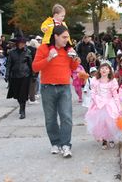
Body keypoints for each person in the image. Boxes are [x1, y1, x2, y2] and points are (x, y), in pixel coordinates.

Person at [32, 25, 80, 158]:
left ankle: (65, 145)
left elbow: (74, 67)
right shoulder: (43, 48)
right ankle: (55, 143)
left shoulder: (68, 50)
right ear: (56, 37)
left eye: (67, 37)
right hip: (47, 87)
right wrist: (48, 58)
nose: (66, 40)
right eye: (64, 37)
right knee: (50, 118)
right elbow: (35, 67)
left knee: (67, 117)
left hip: (64, 87)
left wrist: (75, 58)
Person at [84, 62, 122, 150]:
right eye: (102, 68)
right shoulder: (95, 80)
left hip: (109, 104)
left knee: (111, 123)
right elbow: (93, 92)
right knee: (101, 123)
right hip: (99, 104)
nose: (104, 70)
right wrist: (95, 100)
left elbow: (115, 95)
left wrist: (118, 105)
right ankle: (104, 139)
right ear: (99, 70)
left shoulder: (112, 81)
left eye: (106, 68)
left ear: (109, 71)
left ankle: (111, 138)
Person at [5, 37, 32, 119]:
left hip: (25, 75)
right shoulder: (11, 52)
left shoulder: (27, 51)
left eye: (24, 43)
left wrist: (34, 74)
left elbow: (31, 64)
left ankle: (23, 110)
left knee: (23, 94)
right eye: (21, 43)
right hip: (15, 75)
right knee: (16, 94)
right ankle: (21, 105)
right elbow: (9, 64)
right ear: (17, 43)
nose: (23, 45)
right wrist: (7, 74)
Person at [27, 39, 40, 104]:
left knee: (28, 84)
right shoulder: (34, 50)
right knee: (33, 84)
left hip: (26, 69)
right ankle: (32, 99)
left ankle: (29, 97)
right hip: (33, 69)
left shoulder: (26, 49)